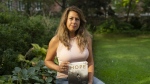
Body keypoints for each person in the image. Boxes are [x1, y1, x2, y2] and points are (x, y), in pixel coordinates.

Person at [44, 6, 105, 84]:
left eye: (77, 19)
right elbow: (47, 61)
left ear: (80, 22)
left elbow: (90, 62)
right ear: (65, 20)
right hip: (65, 79)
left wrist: (90, 81)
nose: (74, 22)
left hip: (84, 77)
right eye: (71, 18)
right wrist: (58, 68)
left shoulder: (87, 38)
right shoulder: (56, 40)